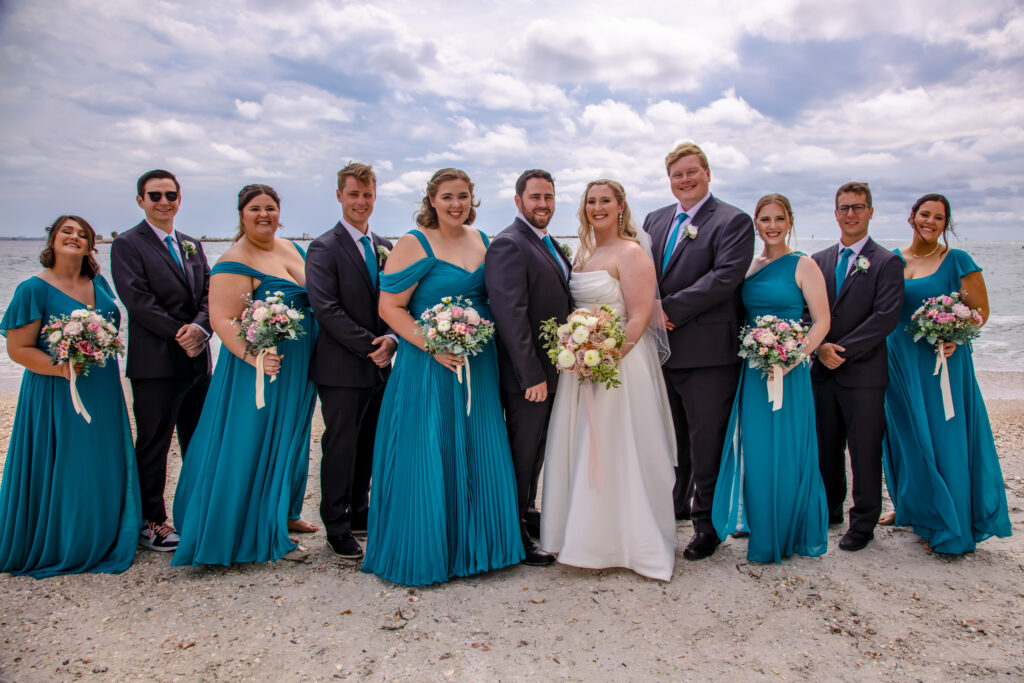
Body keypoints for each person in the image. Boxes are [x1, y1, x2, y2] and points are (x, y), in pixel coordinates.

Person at [361, 168, 523, 586]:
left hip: (479, 362)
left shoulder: (483, 240)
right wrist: (434, 345)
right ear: (431, 200)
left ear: (473, 199)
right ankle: (428, 546)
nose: (456, 204)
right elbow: (390, 308)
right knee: (429, 446)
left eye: (464, 196)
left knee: (478, 442)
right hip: (429, 364)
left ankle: (482, 546)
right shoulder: (414, 243)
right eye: (447, 197)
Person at [171, 185, 318, 566]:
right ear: (242, 214)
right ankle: (245, 522)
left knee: (291, 435)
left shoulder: (291, 248)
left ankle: (283, 510)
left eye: (271, 208)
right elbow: (222, 320)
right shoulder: (234, 260)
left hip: (298, 366)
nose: (264, 214)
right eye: (255, 209)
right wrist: (255, 357)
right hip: (260, 370)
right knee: (251, 438)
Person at [540, 180, 678, 580]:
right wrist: (580, 352)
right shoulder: (584, 254)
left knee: (621, 448)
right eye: (591, 201)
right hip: (582, 367)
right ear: (583, 208)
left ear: (621, 207)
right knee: (582, 446)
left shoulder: (631, 253)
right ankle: (581, 538)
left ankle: (629, 542)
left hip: (618, 367)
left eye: (605, 201)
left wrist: (608, 358)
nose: (597, 207)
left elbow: (638, 316)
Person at [0, 216, 141, 577]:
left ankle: (107, 532)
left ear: (91, 246)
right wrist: (62, 367)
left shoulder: (99, 282)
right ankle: (65, 541)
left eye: (83, 234)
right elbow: (18, 349)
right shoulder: (33, 289)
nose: (75, 237)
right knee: (69, 460)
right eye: (67, 232)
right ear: (52, 240)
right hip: (57, 389)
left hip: (103, 387)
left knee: (102, 457)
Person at [879, 194, 1011, 554]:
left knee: (943, 436)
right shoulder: (892, 259)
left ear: (945, 224)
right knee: (906, 436)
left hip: (942, 363)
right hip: (898, 361)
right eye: (925, 214)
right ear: (911, 217)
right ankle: (912, 507)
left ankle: (947, 519)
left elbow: (979, 311)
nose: (930, 221)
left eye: (939, 217)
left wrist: (956, 335)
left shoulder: (957, 260)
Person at [642, 142, 754, 560]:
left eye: (692, 172)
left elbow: (725, 278)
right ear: (669, 180)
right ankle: (673, 509)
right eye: (677, 175)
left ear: (707, 173)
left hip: (708, 354)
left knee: (706, 442)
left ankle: (707, 527)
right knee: (670, 440)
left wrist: (666, 310)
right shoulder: (654, 219)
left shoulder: (733, 220)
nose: (685, 180)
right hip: (659, 353)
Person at [711, 195, 831, 562]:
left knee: (788, 446)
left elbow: (822, 321)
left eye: (779, 218)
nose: (772, 225)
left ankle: (785, 528)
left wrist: (793, 357)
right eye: (765, 219)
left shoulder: (805, 265)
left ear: (790, 221)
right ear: (756, 223)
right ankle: (758, 520)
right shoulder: (750, 265)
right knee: (757, 448)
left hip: (789, 373)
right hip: (752, 369)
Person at [111, 170, 211, 552]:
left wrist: (201, 329)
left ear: (179, 198)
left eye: (171, 194)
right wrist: (179, 333)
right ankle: (151, 521)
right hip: (155, 364)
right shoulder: (127, 245)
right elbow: (137, 300)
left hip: (198, 361)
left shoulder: (191, 245)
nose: (164, 201)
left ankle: (197, 512)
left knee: (198, 441)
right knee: (153, 443)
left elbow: (208, 295)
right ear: (141, 200)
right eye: (155, 195)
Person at [306, 162, 396, 560]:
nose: (361, 201)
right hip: (341, 367)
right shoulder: (323, 247)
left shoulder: (385, 247)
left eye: (367, 194)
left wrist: (392, 339)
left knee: (370, 442)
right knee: (340, 445)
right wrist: (370, 345)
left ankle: (361, 510)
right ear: (340, 196)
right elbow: (325, 308)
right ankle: (336, 524)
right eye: (354, 194)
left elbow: (395, 301)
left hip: (382, 363)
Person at [484, 169, 572, 567]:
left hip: (553, 371)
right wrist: (530, 374)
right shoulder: (508, 244)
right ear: (518, 201)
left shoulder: (548, 242)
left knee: (536, 448)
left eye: (549, 197)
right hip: (529, 376)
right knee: (521, 451)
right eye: (535, 197)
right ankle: (514, 532)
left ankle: (527, 508)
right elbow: (510, 315)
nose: (543, 205)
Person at [810, 182, 903, 552]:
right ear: (835, 213)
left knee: (864, 450)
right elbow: (806, 310)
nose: (851, 214)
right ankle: (831, 509)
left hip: (864, 374)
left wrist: (841, 351)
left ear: (870, 212)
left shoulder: (887, 261)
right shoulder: (817, 261)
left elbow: (885, 318)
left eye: (858, 207)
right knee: (826, 445)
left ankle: (863, 522)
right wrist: (819, 350)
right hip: (822, 370)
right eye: (845, 208)